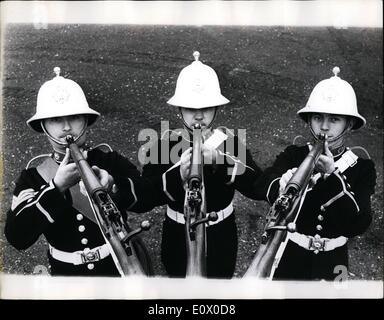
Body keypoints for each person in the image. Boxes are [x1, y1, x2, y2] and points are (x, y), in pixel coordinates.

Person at [5, 67, 155, 276]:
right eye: (56, 120)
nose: (67, 127)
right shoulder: (32, 178)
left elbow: (148, 197)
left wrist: (113, 185)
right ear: (44, 126)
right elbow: (17, 237)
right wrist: (56, 188)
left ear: (85, 120)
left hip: (116, 270)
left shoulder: (109, 160)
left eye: (74, 117)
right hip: (66, 276)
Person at [141, 52, 263, 278]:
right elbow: (143, 196)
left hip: (221, 237)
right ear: (179, 110)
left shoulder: (230, 142)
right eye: (190, 109)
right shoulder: (164, 144)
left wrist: (220, 160)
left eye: (206, 108)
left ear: (217, 108)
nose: (198, 116)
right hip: (177, 235)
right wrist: (177, 174)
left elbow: (257, 186)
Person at [253, 67, 376, 280]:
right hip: (291, 256)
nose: (324, 128)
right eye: (318, 118)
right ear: (309, 120)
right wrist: (281, 185)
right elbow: (264, 185)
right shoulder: (295, 154)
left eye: (334, 120)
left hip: (334, 261)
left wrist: (332, 175)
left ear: (350, 124)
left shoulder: (362, 168)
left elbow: (359, 223)